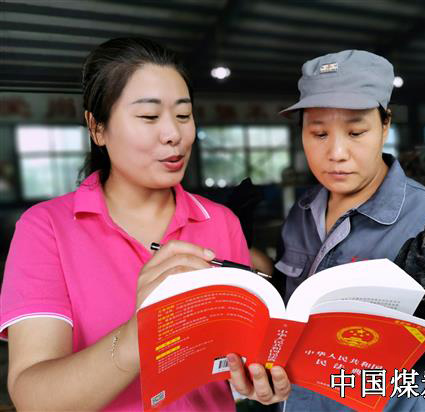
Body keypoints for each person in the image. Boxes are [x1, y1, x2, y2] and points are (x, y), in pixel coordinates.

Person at [0, 37, 290, 411]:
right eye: (149, 117)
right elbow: (34, 399)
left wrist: (258, 377)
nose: (174, 134)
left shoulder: (221, 222)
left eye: (183, 115)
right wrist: (139, 335)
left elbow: (233, 362)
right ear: (97, 127)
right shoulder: (46, 229)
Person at [274, 50, 425, 411]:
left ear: (385, 125)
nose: (336, 152)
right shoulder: (302, 212)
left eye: (356, 132)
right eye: (319, 132)